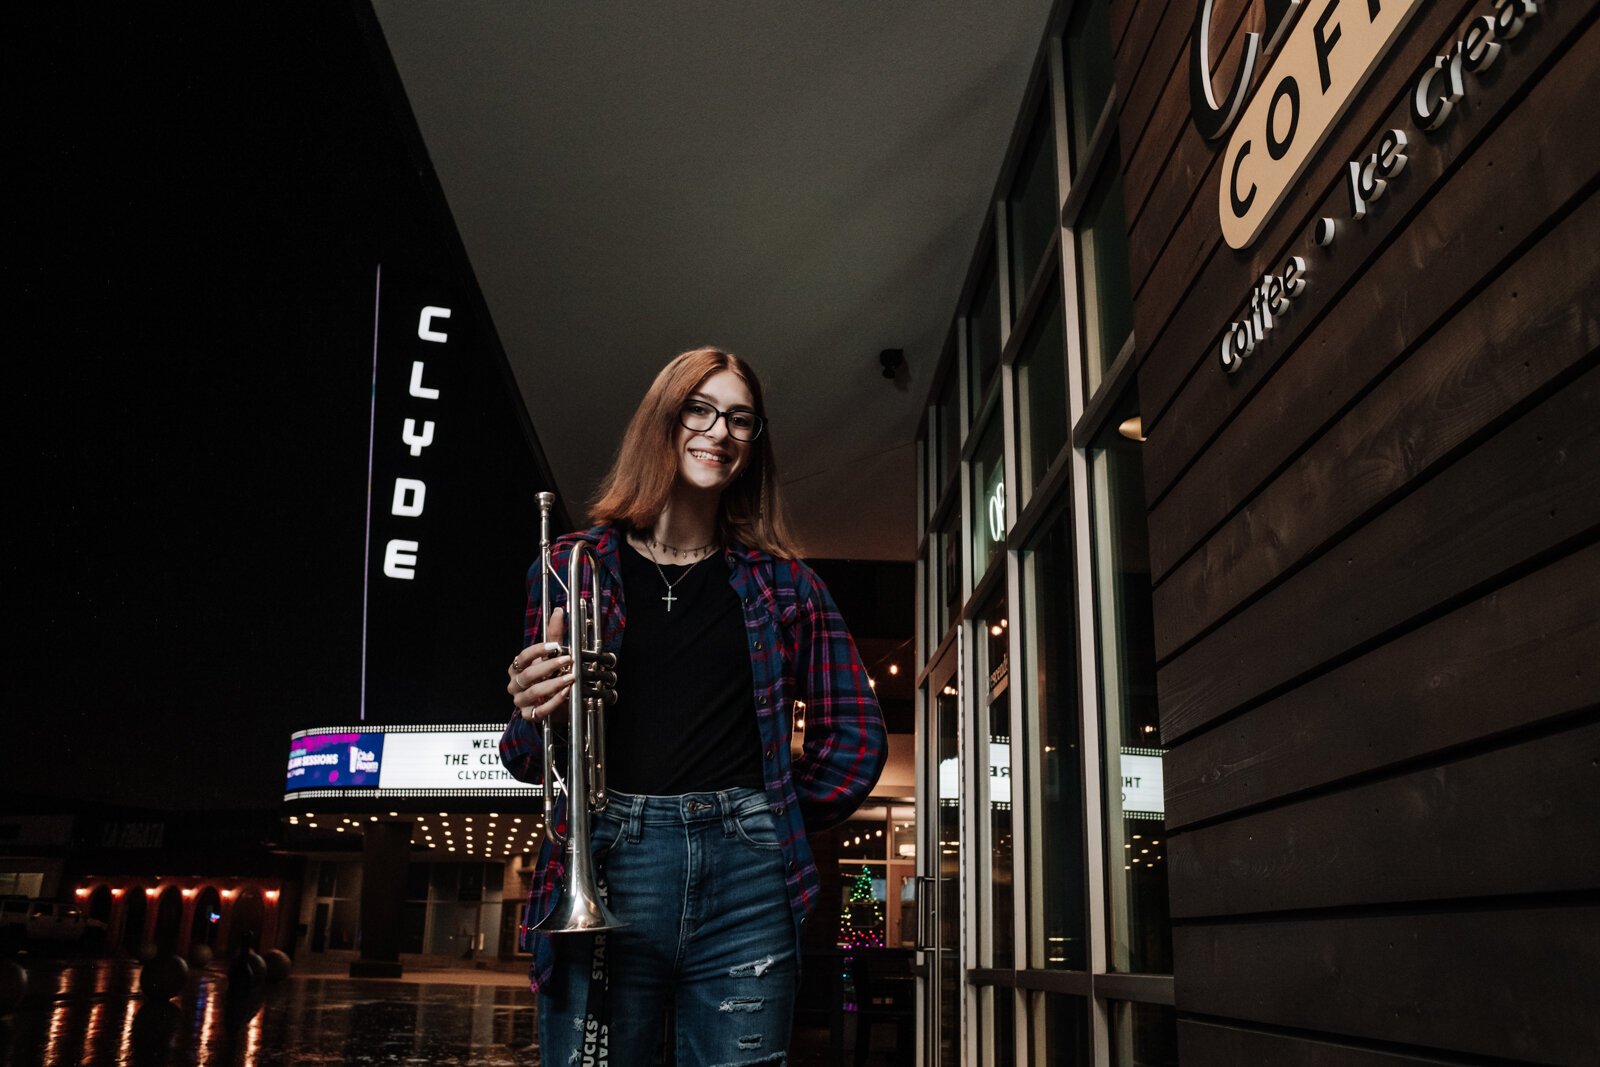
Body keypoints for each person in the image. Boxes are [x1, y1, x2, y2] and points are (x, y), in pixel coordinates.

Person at [500, 347, 887, 1065]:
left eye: (741, 418)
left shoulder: (789, 586)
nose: (721, 431)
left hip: (747, 875)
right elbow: (530, 762)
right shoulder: (569, 568)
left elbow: (857, 742)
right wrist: (534, 710)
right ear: (663, 422)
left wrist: (769, 816)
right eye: (700, 410)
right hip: (611, 853)